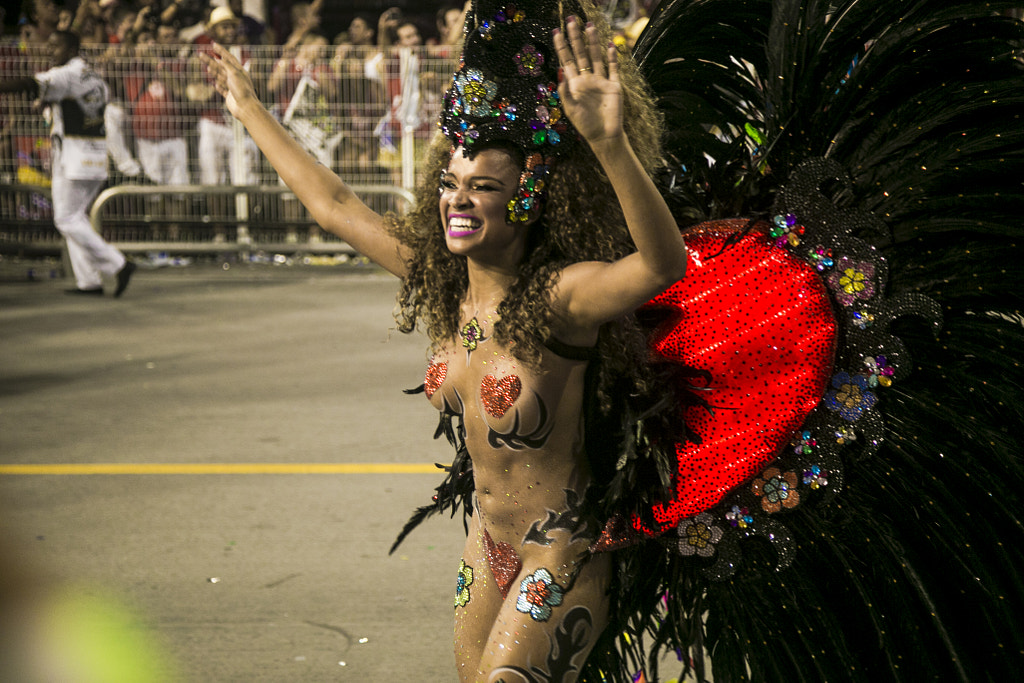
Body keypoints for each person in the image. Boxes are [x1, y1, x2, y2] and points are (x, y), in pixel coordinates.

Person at [201, 1, 686, 678]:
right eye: (450, 183)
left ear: (528, 199)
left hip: (559, 550)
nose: (457, 199)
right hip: (485, 546)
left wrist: (609, 145)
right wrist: (249, 106)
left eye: (483, 187)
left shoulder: (560, 298)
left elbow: (662, 266)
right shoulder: (442, 281)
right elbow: (335, 207)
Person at [0, 29, 135, 296]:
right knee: (77, 218)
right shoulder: (93, 76)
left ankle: (118, 264)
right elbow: (77, 102)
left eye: (56, 46)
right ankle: (89, 282)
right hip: (96, 156)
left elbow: (30, 83)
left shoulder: (66, 74)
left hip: (73, 157)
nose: (50, 51)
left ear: (72, 49)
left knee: (66, 219)